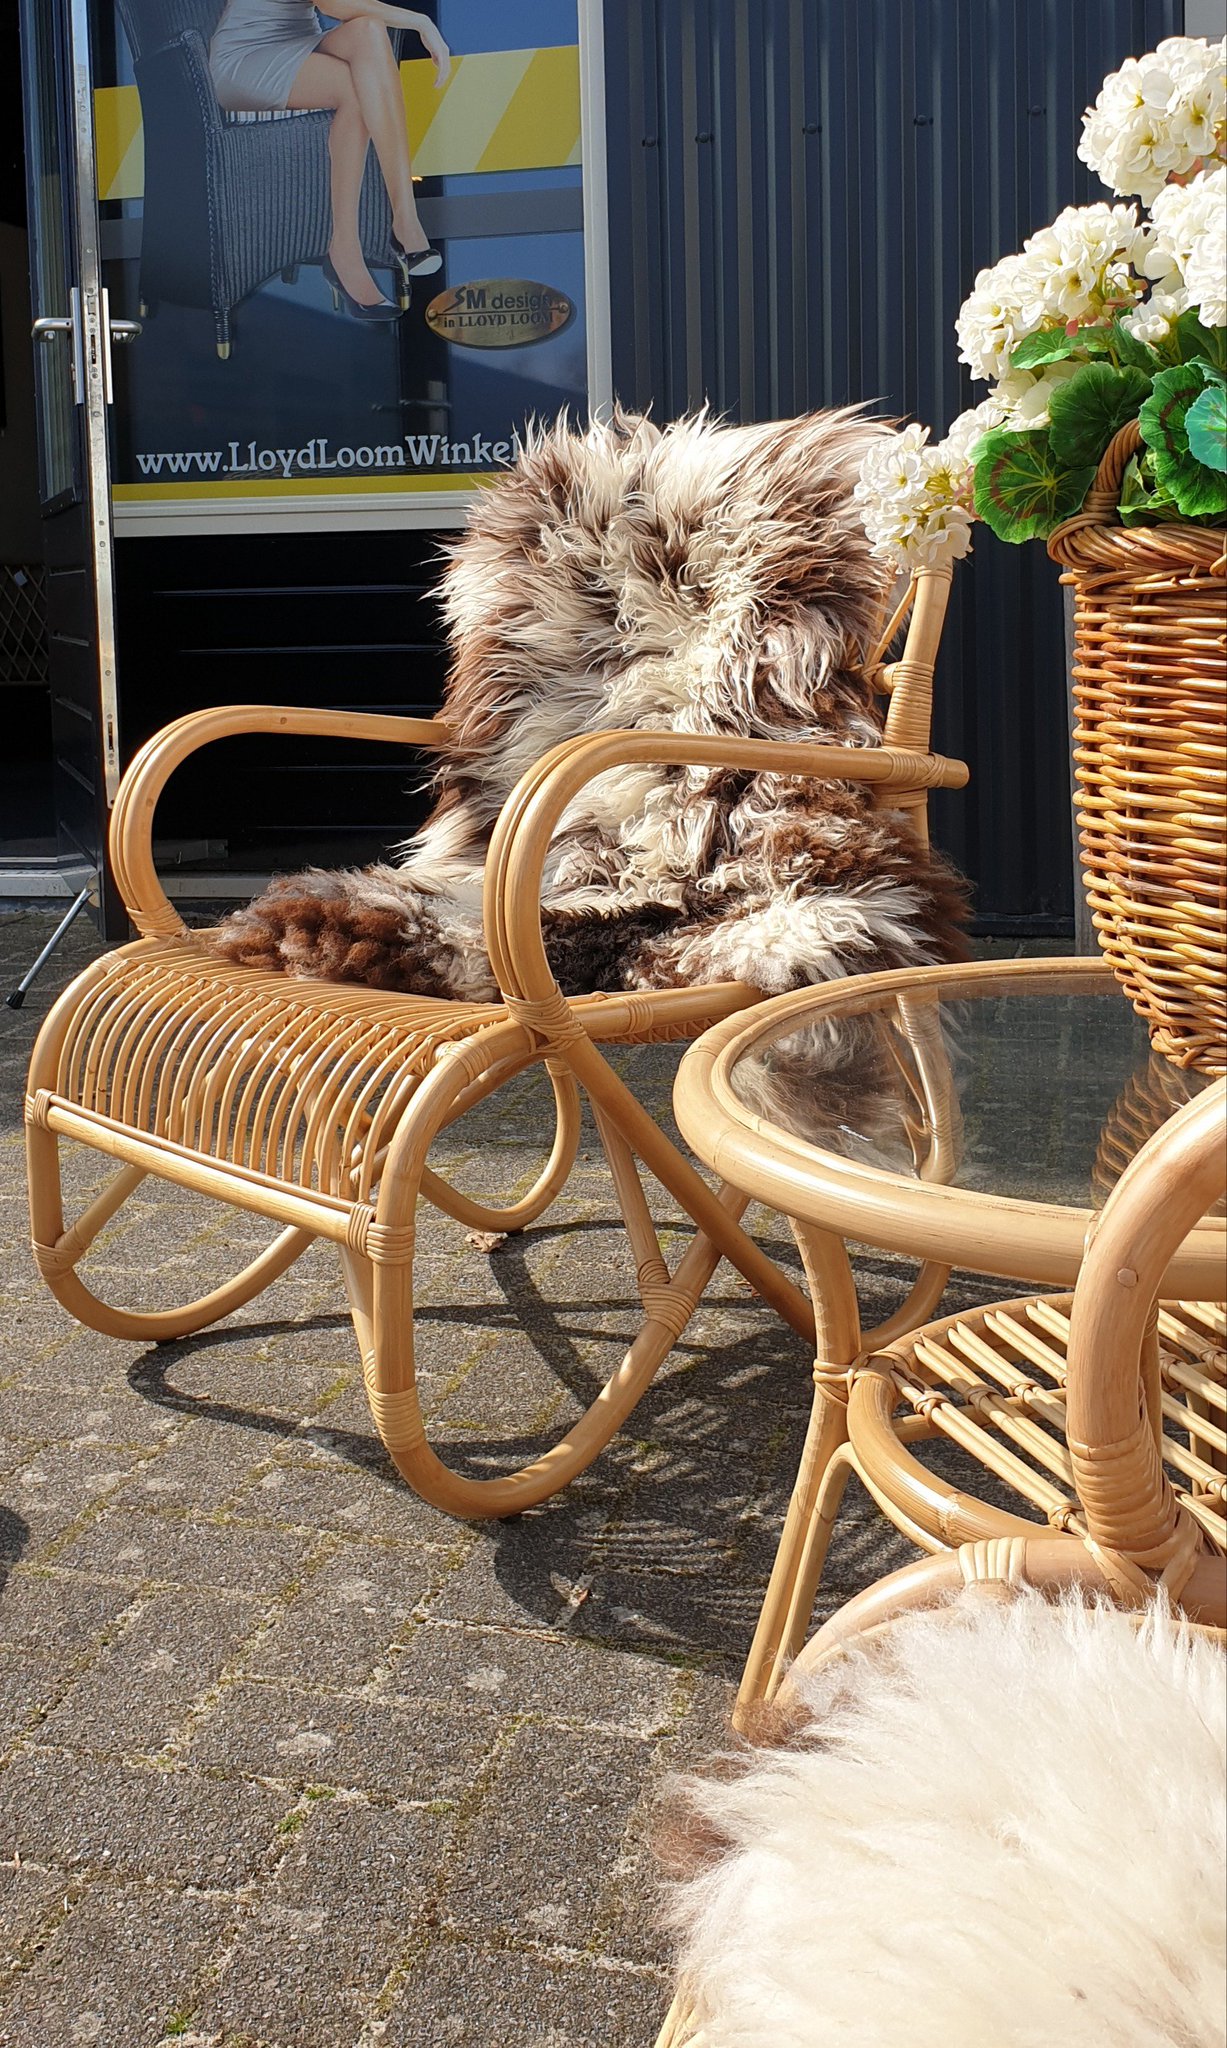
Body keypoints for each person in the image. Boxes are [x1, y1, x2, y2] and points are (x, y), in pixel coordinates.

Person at [209, 0, 451, 319]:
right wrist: (422, 22)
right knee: (356, 85)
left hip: (301, 41)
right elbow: (335, 4)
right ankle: (353, 249)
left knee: (368, 31)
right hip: (246, 55)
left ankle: (400, 219)